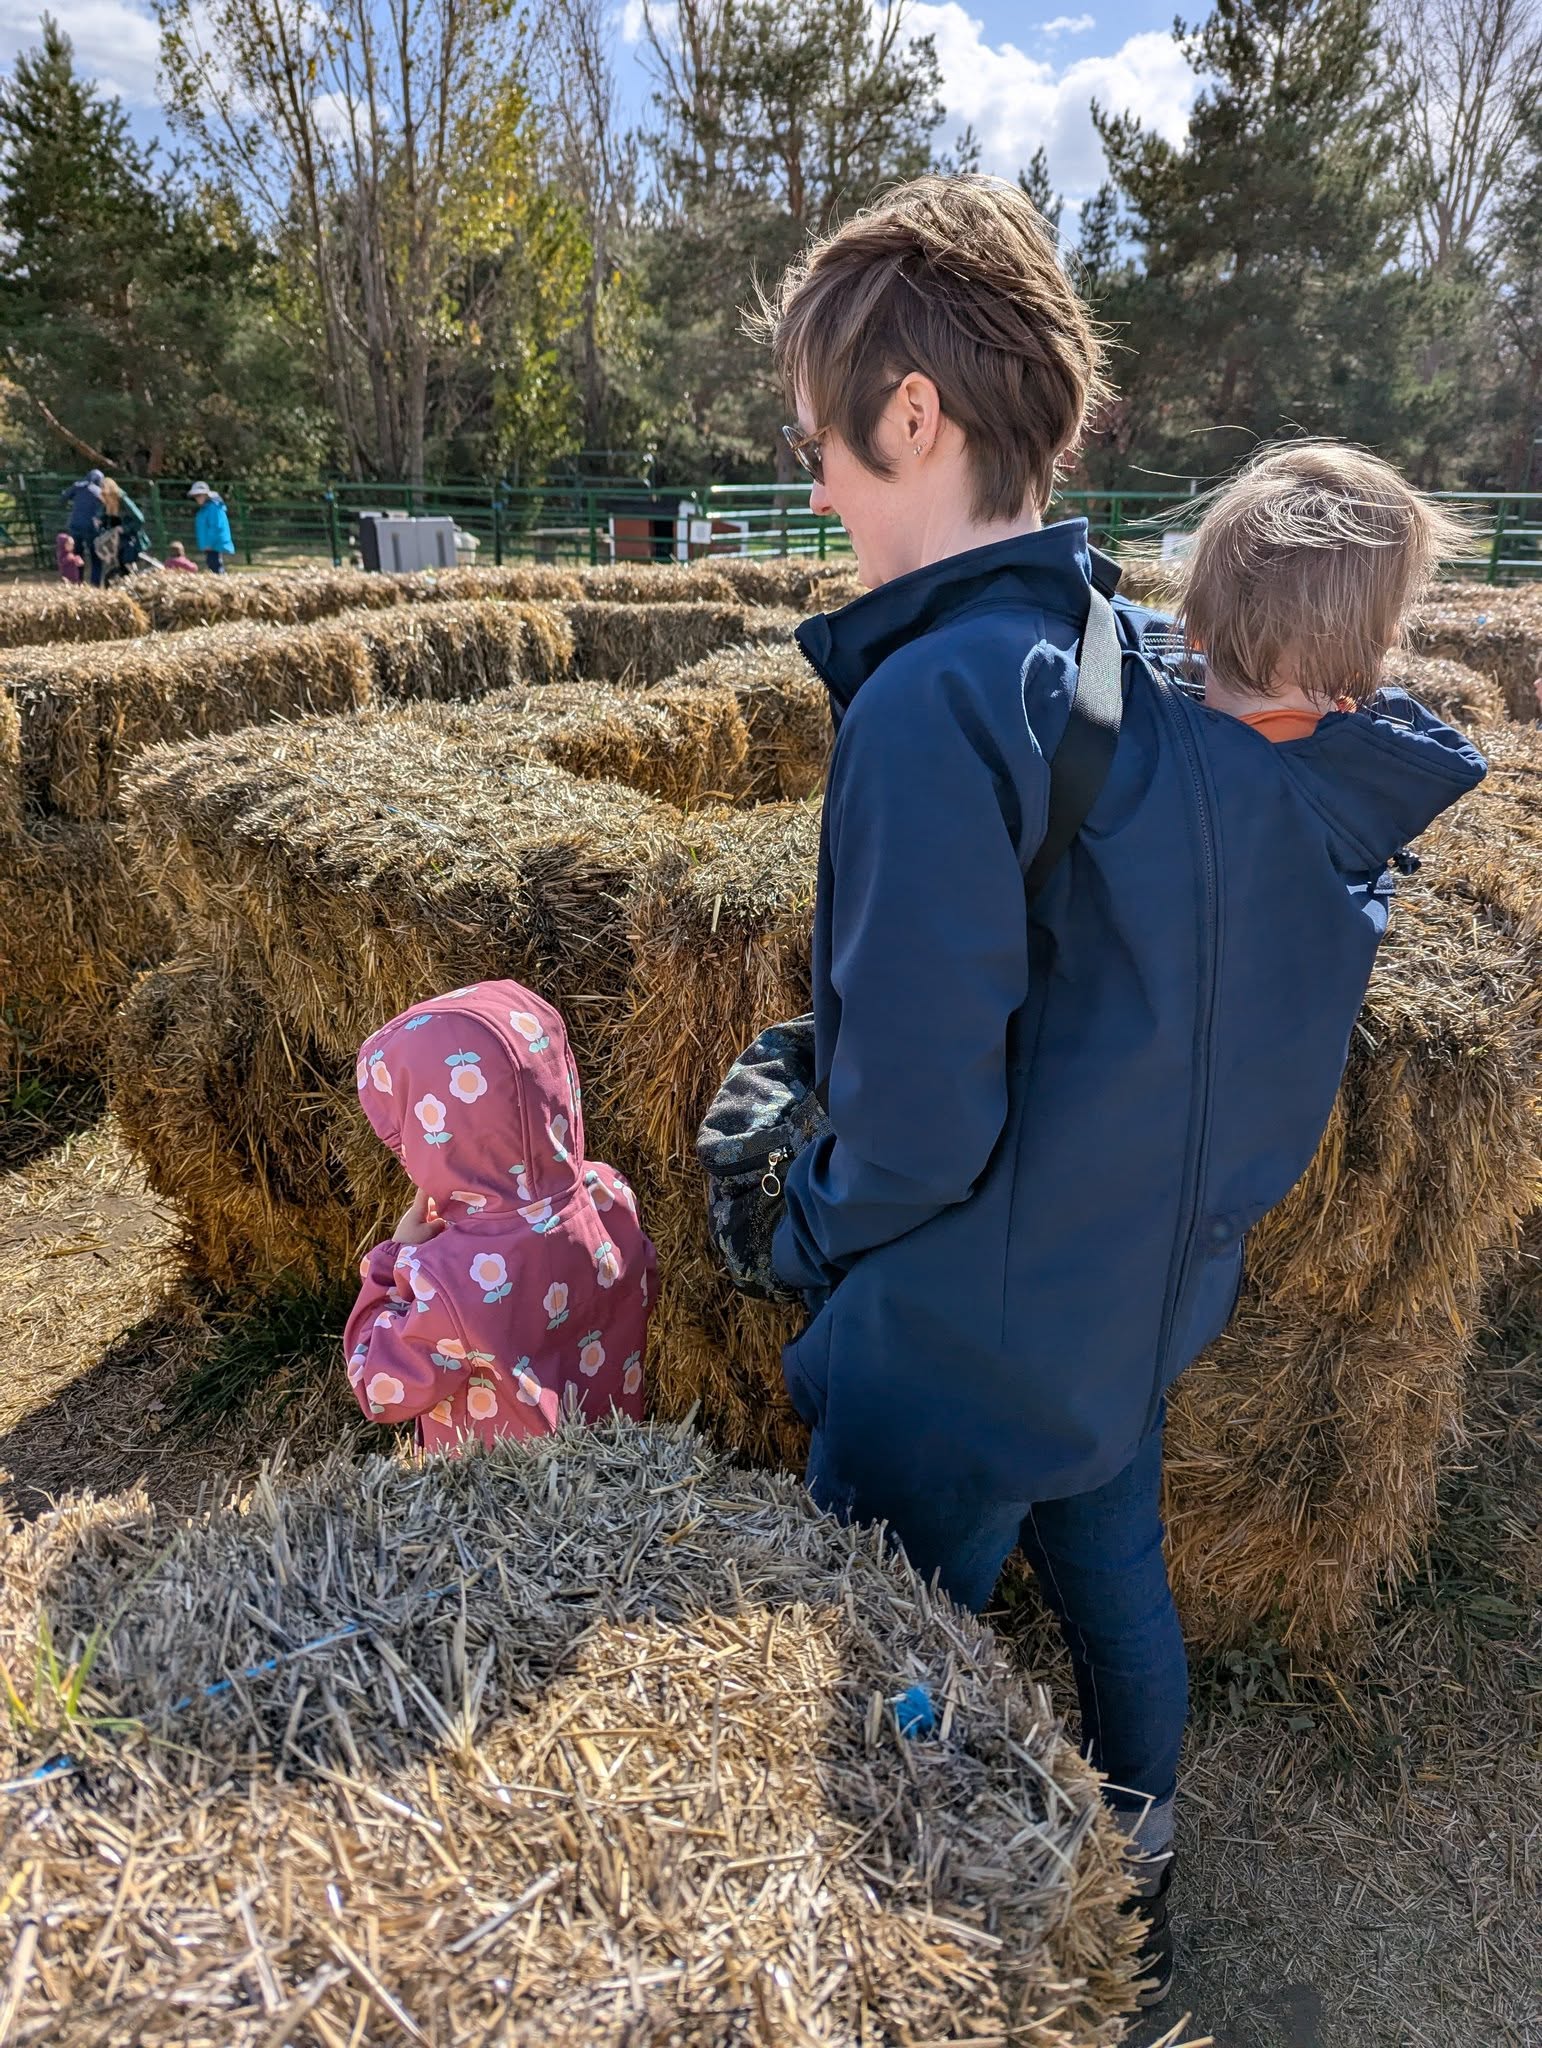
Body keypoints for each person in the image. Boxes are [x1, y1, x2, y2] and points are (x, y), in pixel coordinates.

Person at [751, 175, 1485, 2004]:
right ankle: (1134, 1874)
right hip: (1125, 1302)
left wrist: (799, 1219)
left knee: (889, 1636)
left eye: (818, 441)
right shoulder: (1111, 645)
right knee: (1113, 1587)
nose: (817, 485)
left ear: (911, 412)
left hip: (965, 1333)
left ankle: (914, 1944)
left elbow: (921, 1119)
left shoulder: (934, 697)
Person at [343, 980, 656, 1456]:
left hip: (509, 1493)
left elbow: (377, 1388)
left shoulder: (449, 1278)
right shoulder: (608, 1195)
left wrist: (393, 1262)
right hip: (612, 1463)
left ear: (433, 1135)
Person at [60, 468, 104, 587]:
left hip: (75, 525)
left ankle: (78, 582)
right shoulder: (99, 491)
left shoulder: (78, 486)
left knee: (77, 554)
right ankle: (95, 584)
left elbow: (63, 497)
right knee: (96, 556)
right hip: (91, 527)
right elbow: (103, 509)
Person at [188, 481, 234, 573]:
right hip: (211, 545)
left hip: (214, 545)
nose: (197, 498)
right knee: (212, 564)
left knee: (215, 566)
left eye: (199, 495)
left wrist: (209, 544)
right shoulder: (206, 508)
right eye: (195, 496)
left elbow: (215, 527)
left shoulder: (213, 507)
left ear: (206, 495)